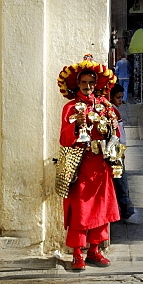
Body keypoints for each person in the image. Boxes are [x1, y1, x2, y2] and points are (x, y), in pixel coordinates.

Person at [57, 54, 121, 270]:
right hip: (81, 165)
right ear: (77, 85)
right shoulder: (71, 108)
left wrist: (112, 124)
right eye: (83, 83)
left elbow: (116, 135)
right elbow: (65, 138)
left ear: (97, 84)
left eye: (91, 83)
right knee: (80, 210)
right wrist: (77, 125)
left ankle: (94, 250)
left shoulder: (105, 106)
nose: (87, 86)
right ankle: (77, 253)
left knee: (102, 209)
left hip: (101, 165)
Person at [110, 83, 140, 225]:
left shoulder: (115, 112)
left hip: (118, 151)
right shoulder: (112, 112)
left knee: (121, 182)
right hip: (115, 152)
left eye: (121, 97)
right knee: (121, 182)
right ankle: (126, 211)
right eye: (118, 97)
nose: (120, 100)